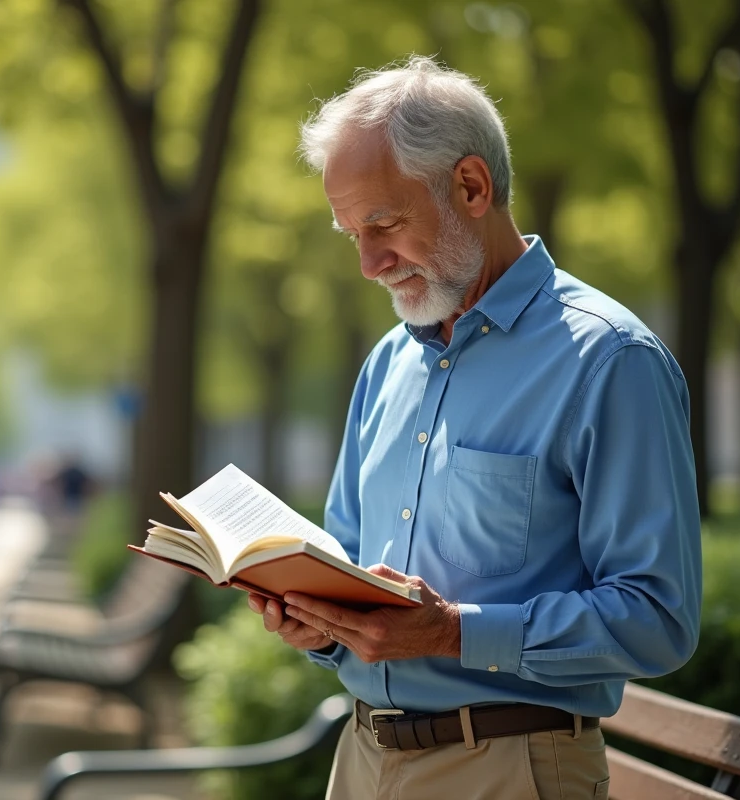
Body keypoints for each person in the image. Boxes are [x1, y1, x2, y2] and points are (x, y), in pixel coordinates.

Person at [247, 57, 701, 799]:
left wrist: (454, 629)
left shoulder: (610, 361)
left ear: (471, 187)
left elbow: (658, 618)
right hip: (358, 760)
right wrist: (321, 623)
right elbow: (350, 561)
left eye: (383, 224)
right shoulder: (387, 363)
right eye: (349, 233)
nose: (367, 263)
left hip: (508, 770)